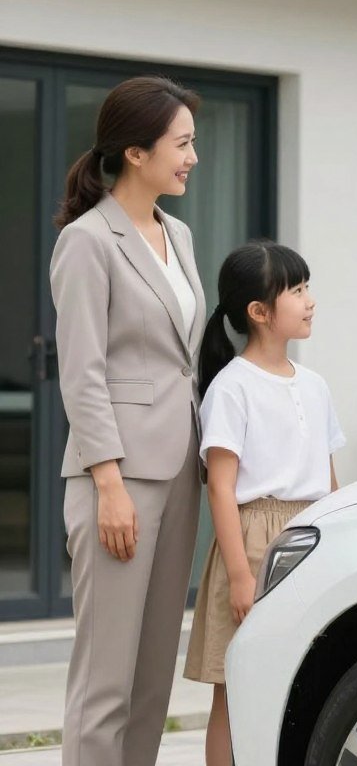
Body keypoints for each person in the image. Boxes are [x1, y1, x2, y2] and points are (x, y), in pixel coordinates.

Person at [50, 76, 204, 766]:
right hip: (117, 479)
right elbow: (81, 373)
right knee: (105, 677)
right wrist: (106, 481)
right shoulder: (89, 241)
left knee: (150, 676)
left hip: (179, 474)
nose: (193, 156)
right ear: (137, 153)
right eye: (183, 143)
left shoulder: (180, 234)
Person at [184, 240, 344, 766]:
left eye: (306, 287)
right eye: (296, 290)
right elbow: (220, 487)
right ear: (259, 312)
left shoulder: (315, 385)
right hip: (253, 542)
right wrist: (238, 576)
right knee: (234, 689)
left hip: (313, 535)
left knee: (308, 678)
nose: (310, 300)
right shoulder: (232, 387)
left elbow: (329, 477)